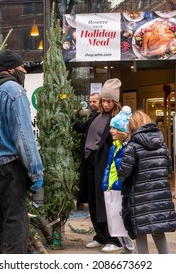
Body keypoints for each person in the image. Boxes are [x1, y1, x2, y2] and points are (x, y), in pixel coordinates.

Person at [0, 49, 44, 254]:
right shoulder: (13, 90)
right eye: (23, 68)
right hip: (8, 168)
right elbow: (24, 137)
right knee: (16, 224)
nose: (24, 72)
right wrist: (36, 172)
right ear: (12, 69)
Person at [118, 110, 176, 254]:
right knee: (158, 232)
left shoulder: (132, 146)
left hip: (139, 196)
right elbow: (168, 168)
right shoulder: (161, 143)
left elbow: (124, 172)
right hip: (160, 194)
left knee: (141, 231)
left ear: (132, 126)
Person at [79, 78, 123, 252]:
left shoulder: (118, 119)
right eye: (103, 100)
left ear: (115, 102)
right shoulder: (97, 116)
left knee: (107, 202)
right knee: (93, 201)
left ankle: (114, 239)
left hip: (105, 164)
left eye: (108, 101)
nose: (105, 104)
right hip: (91, 162)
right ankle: (100, 235)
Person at [102, 106, 136, 254]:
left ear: (123, 130)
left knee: (121, 221)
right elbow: (109, 167)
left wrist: (118, 184)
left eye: (114, 128)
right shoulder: (114, 147)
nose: (111, 131)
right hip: (111, 188)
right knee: (114, 221)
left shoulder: (128, 148)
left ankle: (130, 250)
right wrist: (105, 183)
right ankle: (126, 248)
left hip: (119, 189)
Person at [72, 93, 101, 210]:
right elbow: (84, 128)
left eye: (94, 101)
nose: (92, 104)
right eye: (90, 101)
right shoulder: (93, 115)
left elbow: (84, 128)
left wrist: (72, 120)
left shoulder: (100, 116)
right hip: (89, 155)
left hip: (94, 156)